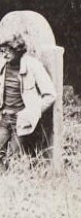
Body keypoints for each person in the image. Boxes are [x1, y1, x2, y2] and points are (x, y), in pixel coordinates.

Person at [0, 33, 56, 170]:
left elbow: (50, 94)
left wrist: (32, 113)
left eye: (8, 49)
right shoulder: (2, 65)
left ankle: (15, 183)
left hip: (21, 121)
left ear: (18, 49)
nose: (4, 54)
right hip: (3, 118)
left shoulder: (33, 65)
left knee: (13, 158)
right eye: (2, 50)